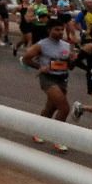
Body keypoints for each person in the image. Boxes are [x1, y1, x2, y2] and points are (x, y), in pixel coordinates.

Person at [22, 19, 73, 152]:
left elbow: (68, 64)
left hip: (62, 78)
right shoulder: (42, 45)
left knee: (51, 108)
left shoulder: (66, 45)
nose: (60, 32)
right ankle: (58, 138)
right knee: (64, 108)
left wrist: (72, 60)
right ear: (49, 30)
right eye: (56, 29)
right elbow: (26, 58)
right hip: (48, 79)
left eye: (62, 29)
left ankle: (38, 131)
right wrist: (40, 66)